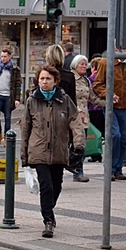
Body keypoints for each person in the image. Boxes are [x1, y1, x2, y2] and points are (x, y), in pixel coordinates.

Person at [21, 65, 85, 238]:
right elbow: (25, 128)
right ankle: (48, 220)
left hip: (58, 151)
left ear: (55, 81)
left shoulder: (64, 100)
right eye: (42, 78)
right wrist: (24, 155)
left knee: (56, 186)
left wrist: (79, 144)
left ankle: (48, 208)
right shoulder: (32, 100)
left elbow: (75, 122)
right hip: (39, 151)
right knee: (46, 185)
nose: (44, 82)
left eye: (48, 79)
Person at [70, 54, 105, 182]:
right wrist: (77, 111)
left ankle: (78, 171)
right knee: (74, 146)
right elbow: (68, 98)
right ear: (75, 65)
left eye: (86, 64)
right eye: (82, 64)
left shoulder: (86, 80)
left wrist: (107, 103)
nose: (85, 66)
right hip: (73, 117)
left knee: (81, 146)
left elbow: (93, 98)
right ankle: (75, 171)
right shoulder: (70, 78)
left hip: (84, 119)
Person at [93, 49, 126, 181]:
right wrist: (109, 94)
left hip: (125, 107)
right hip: (111, 107)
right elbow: (98, 84)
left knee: (124, 138)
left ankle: (118, 169)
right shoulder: (106, 63)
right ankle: (110, 168)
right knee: (115, 135)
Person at [0, 48, 21, 146]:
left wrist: (17, 99)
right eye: (2, 56)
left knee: (8, 117)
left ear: (9, 57)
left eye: (5, 56)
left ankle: (6, 137)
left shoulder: (15, 69)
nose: (3, 59)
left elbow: (17, 84)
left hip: (8, 96)